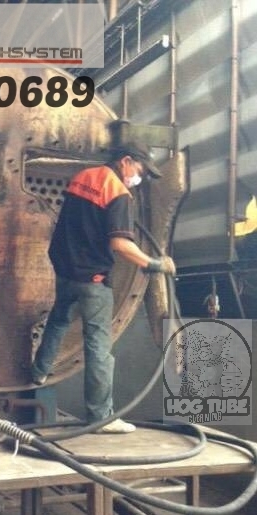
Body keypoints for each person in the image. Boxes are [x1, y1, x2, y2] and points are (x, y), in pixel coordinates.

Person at [31, 141, 176, 433]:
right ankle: (100, 417)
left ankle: (38, 371)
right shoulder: (118, 193)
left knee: (58, 321)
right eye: (140, 170)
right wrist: (154, 264)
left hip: (66, 270)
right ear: (126, 161)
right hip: (94, 279)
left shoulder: (83, 177)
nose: (139, 178)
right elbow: (120, 243)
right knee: (98, 346)